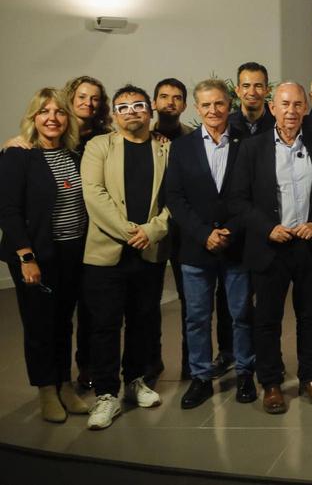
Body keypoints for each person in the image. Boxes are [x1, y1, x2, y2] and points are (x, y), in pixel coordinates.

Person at [229, 82, 312, 415]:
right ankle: (271, 383)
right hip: (271, 247)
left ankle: (310, 378)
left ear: (305, 108)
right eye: (284, 104)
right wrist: (268, 228)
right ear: (272, 108)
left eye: (297, 104)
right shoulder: (252, 148)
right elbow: (238, 199)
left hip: (310, 245)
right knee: (267, 320)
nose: (291, 111)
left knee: (311, 317)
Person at [80, 85, 172, 430]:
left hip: (148, 249)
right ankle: (106, 394)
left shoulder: (166, 149)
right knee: (104, 325)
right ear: (115, 113)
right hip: (106, 253)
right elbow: (94, 193)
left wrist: (153, 230)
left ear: (149, 110)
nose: (132, 111)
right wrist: (129, 231)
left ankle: (136, 381)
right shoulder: (98, 146)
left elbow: (174, 196)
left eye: (138, 105)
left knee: (143, 320)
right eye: (123, 107)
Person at [161, 79, 256, 409]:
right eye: (206, 105)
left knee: (242, 314)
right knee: (197, 318)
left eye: (219, 104)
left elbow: (255, 194)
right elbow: (174, 196)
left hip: (237, 244)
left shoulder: (248, 142)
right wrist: (204, 233)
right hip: (195, 247)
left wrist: (229, 230)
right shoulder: (183, 147)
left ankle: (245, 372)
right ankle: (201, 377)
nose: (213, 110)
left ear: (229, 106)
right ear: (196, 109)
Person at [0, 88, 91, 422]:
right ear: (33, 118)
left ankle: (64, 383)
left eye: (59, 112)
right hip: (35, 254)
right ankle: (46, 390)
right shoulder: (18, 155)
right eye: (44, 112)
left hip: (71, 251)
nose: (52, 118)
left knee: (63, 321)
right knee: (39, 323)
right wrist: (26, 257)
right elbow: (7, 210)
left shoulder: (73, 154)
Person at [147, 76, 194, 386]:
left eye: (176, 98)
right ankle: (150, 363)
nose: (170, 102)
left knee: (191, 303)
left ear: (184, 105)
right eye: (164, 97)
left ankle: (193, 364)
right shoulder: (139, 136)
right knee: (148, 303)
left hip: (186, 231)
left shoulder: (192, 138)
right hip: (150, 230)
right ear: (154, 103)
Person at [229, 62, 274, 138]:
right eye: (246, 86)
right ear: (237, 91)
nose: (252, 93)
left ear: (267, 91)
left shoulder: (279, 124)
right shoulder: (226, 125)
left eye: (258, 86)